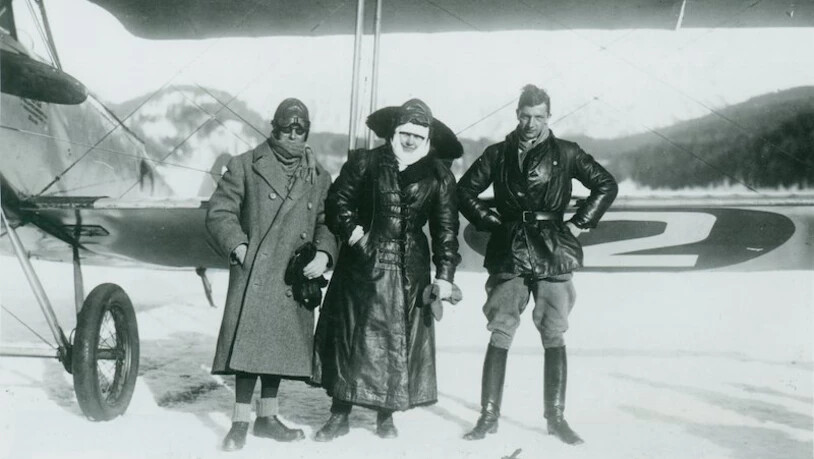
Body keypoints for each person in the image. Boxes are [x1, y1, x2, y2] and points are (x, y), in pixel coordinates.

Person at [457, 84, 617, 445]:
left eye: (539, 117)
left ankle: (556, 419)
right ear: (517, 114)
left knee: (554, 330)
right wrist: (492, 221)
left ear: (549, 116)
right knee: (500, 328)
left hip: (553, 250)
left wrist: (578, 224)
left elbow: (606, 185)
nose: (531, 123)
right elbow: (463, 191)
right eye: (526, 116)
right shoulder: (497, 154)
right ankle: (488, 416)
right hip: (509, 250)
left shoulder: (567, 152)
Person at [311, 98, 462, 441]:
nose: (409, 140)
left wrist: (445, 276)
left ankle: (386, 415)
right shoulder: (366, 163)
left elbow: (446, 230)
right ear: (394, 132)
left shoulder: (439, 175)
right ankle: (340, 413)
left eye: (416, 135)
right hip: (362, 265)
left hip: (410, 270)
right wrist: (355, 235)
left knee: (398, 341)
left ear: (427, 139)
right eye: (404, 133)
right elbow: (338, 202)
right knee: (352, 339)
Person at [206, 98, 338, 451]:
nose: (293, 135)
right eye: (286, 128)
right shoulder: (245, 165)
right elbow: (220, 212)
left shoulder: (319, 176)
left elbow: (329, 222)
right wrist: (238, 245)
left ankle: (266, 418)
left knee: (277, 347)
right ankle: (239, 422)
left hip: (293, 274)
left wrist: (325, 253)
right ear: (274, 127)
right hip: (256, 272)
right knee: (250, 348)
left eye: (300, 129)